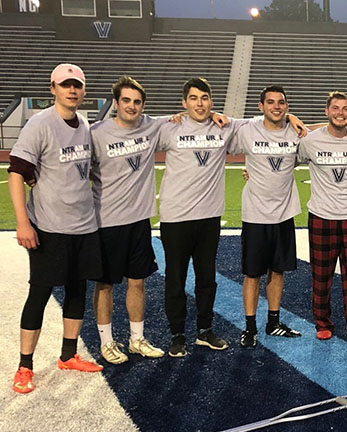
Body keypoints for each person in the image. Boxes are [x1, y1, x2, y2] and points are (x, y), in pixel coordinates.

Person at [9, 63, 103, 394]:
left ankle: (68, 355)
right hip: (49, 227)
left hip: (83, 225)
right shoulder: (40, 124)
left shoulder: (85, 124)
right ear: (53, 89)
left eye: (77, 84)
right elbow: (17, 172)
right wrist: (23, 222)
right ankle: (24, 365)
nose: (72, 89)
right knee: (41, 292)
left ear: (84, 90)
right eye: (65, 85)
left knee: (77, 291)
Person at [155, 77, 237, 357]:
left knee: (207, 277)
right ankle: (177, 334)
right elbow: (137, 125)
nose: (199, 104)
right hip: (176, 217)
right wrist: (171, 116)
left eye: (204, 98)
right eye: (193, 98)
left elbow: (263, 123)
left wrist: (297, 119)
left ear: (211, 101)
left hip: (209, 217)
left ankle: (204, 330)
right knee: (175, 278)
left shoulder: (223, 127)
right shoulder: (171, 127)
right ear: (184, 102)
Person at [89, 76, 167, 364]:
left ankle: (136, 339)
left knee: (138, 282)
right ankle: (107, 342)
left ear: (143, 105)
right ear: (116, 103)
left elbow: (188, 116)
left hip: (139, 221)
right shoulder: (96, 133)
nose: (131, 106)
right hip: (107, 222)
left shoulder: (151, 125)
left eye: (136, 102)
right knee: (106, 284)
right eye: (126, 100)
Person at [228, 85, 303, 346]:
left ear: (287, 107)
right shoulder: (248, 129)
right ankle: (250, 327)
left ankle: (273, 322)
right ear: (261, 106)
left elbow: (323, 131)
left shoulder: (295, 132)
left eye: (281, 102)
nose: (276, 106)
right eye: (270, 102)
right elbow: (221, 125)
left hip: (284, 214)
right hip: (255, 214)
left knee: (278, 272)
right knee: (252, 274)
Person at [297, 91, 347, 342]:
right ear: (326, 111)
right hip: (322, 216)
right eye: (335, 108)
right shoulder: (310, 140)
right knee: (321, 275)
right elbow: (286, 161)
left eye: (345, 109)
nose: (340, 112)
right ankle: (322, 321)